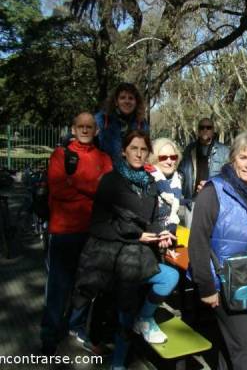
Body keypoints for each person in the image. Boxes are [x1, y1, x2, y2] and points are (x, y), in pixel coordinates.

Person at [73, 130, 179, 370]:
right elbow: (98, 226)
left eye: (143, 149)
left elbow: (149, 220)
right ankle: (119, 363)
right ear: (123, 151)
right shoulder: (111, 181)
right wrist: (135, 235)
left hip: (141, 257)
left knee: (170, 276)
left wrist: (160, 235)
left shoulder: (150, 184)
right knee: (124, 313)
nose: (139, 154)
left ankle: (144, 318)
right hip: (116, 259)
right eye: (134, 148)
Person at [188, 130, 247, 370]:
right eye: (243, 157)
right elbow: (197, 242)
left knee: (232, 349)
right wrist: (207, 287)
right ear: (233, 158)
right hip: (226, 284)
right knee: (246, 352)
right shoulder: (214, 191)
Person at [40, 112, 113, 355]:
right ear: (73, 129)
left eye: (89, 126)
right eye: (80, 126)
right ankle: (49, 334)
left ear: (96, 131)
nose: (84, 130)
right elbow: (59, 190)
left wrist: (76, 183)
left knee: (86, 286)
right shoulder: (61, 155)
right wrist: (91, 188)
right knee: (58, 287)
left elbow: (107, 191)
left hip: (93, 233)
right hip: (63, 232)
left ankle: (76, 326)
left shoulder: (104, 158)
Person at [178, 117, 230, 227]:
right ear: (198, 130)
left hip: (214, 202)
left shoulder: (224, 151)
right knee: (190, 239)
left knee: (211, 239)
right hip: (191, 202)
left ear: (213, 130)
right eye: (202, 127)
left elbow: (229, 178)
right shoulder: (189, 149)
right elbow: (181, 173)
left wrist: (212, 186)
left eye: (208, 127)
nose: (205, 130)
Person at [95, 82, 149, 164]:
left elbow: (147, 148)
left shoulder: (141, 123)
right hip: (103, 171)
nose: (127, 101)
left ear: (136, 102)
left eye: (131, 98)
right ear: (116, 101)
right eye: (122, 98)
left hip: (131, 171)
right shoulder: (102, 119)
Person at [145, 138, 183, 237]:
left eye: (173, 157)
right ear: (154, 159)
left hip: (171, 238)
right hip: (151, 239)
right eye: (163, 158)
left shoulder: (177, 180)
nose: (169, 161)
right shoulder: (146, 181)